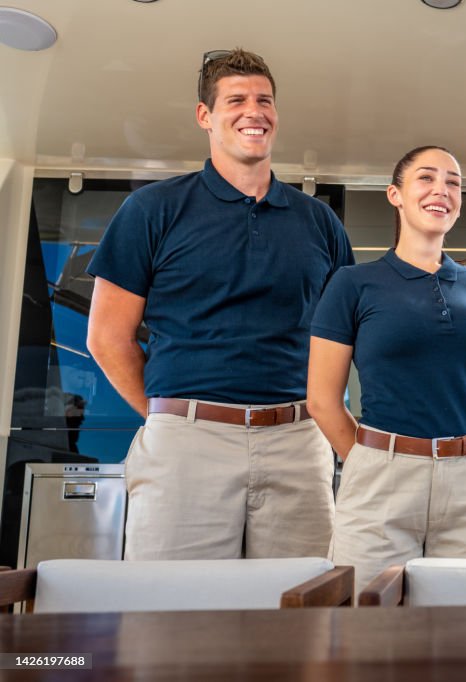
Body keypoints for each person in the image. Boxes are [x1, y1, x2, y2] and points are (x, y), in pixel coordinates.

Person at [86, 48, 354, 560]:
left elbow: (343, 340)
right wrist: (170, 417)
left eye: (264, 100)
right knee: (175, 619)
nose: (254, 111)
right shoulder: (152, 209)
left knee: (299, 618)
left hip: (297, 443)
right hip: (186, 445)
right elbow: (106, 336)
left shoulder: (320, 223)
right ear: (205, 117)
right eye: (236, 100)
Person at [307, 145, 466, 593]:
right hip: (382, 477)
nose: (442, 189)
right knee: (366, 629)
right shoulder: (352, 284)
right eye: (426, 177)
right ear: (395, 195)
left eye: (453, 182)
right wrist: (372, 460)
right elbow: (322, 400)